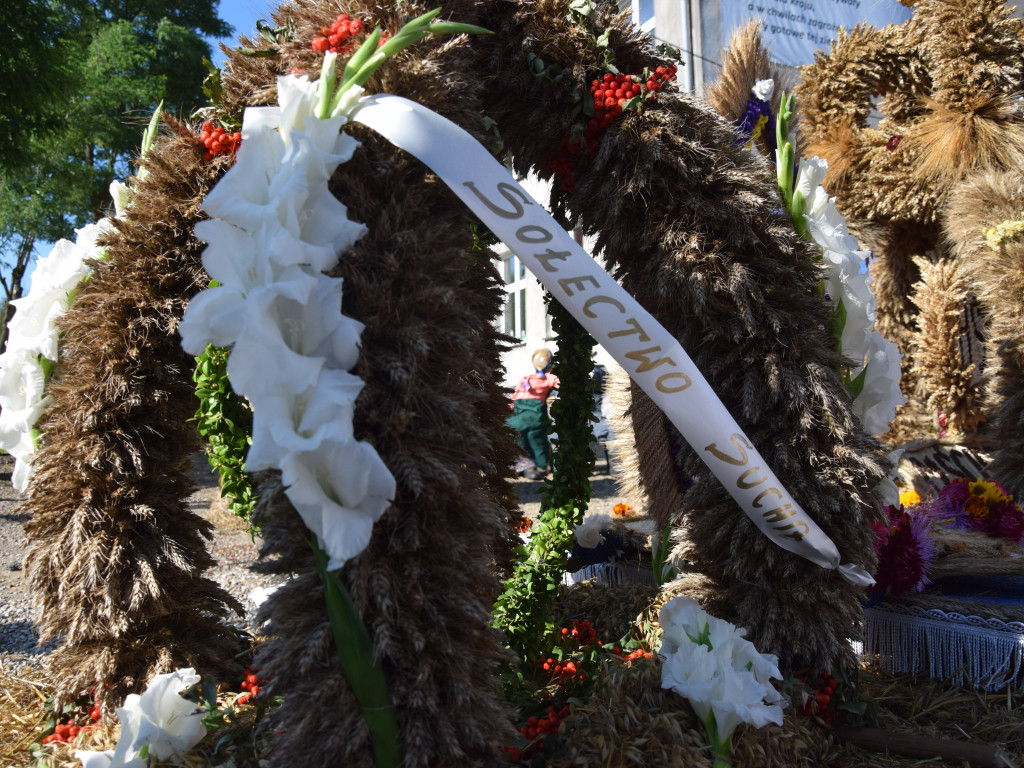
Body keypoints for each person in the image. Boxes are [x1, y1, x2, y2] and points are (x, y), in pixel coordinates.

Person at [507, 348, 560, 480]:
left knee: (520, 441)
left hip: (516, 416)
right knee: (538, 441)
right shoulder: (550, 378)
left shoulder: (526, 379)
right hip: (534, 416)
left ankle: (524, 467)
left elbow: (514, 397)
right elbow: (561, 388)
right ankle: (540, 467)